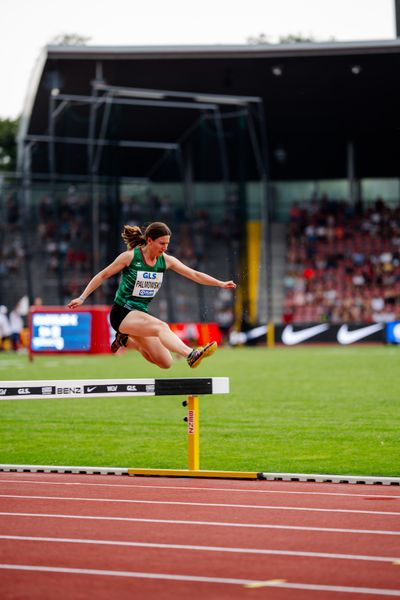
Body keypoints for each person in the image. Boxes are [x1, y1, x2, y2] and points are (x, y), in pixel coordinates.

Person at [68, 222, 236, 369]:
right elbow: (103, 275)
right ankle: (191, 354)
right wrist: (82, 297)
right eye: (162, 243)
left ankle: (125, 340)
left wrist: (220, 283)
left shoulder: (166, 260)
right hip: (122, 312)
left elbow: (195, 275)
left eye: (167, 244)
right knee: (162, 327)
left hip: (140, 315)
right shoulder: (130, 257)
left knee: (165, 362)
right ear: (149, 240)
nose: (165, 248)